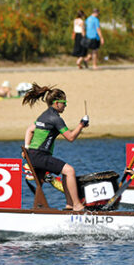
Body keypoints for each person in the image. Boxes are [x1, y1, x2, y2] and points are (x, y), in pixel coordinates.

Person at [22, 83, 89, 211]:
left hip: (34, 156)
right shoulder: (55, 118)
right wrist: (81, 125)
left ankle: (69, 205)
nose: (65, 106)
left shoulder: (44, 115)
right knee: (70, 171)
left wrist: (26, 149)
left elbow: (30, 130)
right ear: (56, 103)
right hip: (40, 156)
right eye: (64, 103)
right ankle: (77, 205)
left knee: (65, 173)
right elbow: (70, 138)